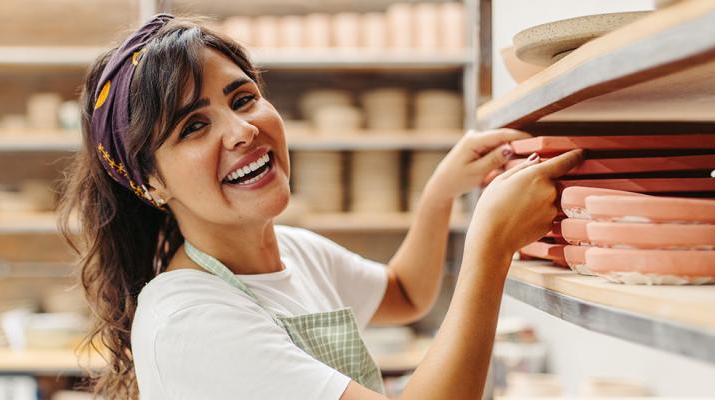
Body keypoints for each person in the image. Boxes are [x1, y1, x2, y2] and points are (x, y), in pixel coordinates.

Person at [57, 13, 582, 400]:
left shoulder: (295, 252)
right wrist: (490, 245)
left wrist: (440, 193)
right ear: (149, 181)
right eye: (193, 126)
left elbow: (404, 294)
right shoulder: (190, 320)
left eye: (242, 99)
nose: (242, 131)